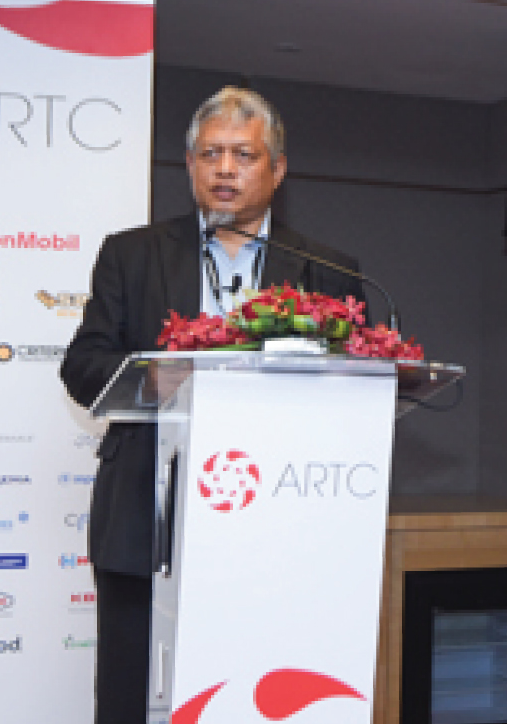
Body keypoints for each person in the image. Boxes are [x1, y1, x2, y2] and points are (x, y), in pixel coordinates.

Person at [60, 86, 366, 724]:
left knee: (254, 691)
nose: (225, 169)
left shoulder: (325, 270)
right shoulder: (131, 254)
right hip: (146, 511)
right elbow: (83, 367)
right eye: (210, 154)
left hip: (276, 518)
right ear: (189, 164)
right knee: (132, 693)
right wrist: (156, 375)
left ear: (277, 170)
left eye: (243, 156)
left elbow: (354, 387)